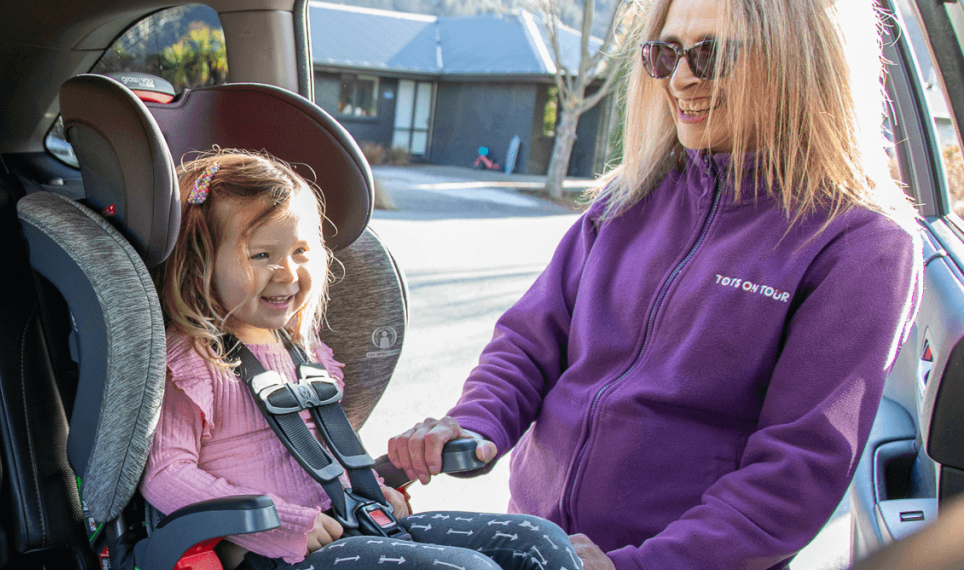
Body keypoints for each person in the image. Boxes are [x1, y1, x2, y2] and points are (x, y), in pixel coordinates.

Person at [387, 0, 923, 569]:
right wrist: (474, 420)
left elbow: (796, 470)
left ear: (803, 61)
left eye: (710, 54)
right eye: (664, 54)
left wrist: (637, 566)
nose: (681, 78)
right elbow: (528, 344)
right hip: (538, 543)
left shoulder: (862, 245)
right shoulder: (628, 199)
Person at [141, 150, 582, 570]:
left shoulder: (304, 353)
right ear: (201, 262)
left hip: (355, 525)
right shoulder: (194, 361)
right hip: (278, 554)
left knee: (539, 542)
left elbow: (316, 453)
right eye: (261, 255)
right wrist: (279, 524)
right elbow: (165, 475)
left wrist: (371, 488)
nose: (288, 273)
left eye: (300, 251)